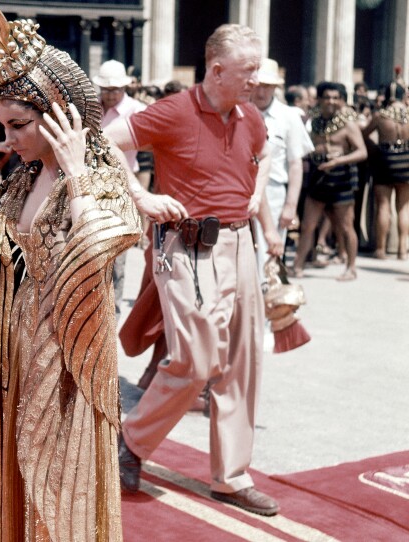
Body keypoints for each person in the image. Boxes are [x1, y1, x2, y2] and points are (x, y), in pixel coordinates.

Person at [0, 5, 142, 536]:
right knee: (19, 460)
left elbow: (98, 252)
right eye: (3, 126)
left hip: (68, 351)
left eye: (20, 124)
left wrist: (79, 174)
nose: (10, 138)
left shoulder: (99, 175)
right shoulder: (20, 178)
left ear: (59, 113)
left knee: (60, 475)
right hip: (18, 344)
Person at [104, 23, 284, 516]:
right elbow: (104, 141)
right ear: (218, 69)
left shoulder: (250, 118)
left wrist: (258, 201)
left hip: (238, 243)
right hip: (185, 246)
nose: (256, 80)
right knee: (196, 360)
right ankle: (132, 440)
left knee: (242, 363)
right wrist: (140, 195)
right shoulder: (174, 111)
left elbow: (264, 154)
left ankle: (232, 477)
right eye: (249, 71)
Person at [290, 82, 367, 281]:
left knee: (346, 227)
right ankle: (298, 265)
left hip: (341, 180)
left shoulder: (348, 125)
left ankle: (351, 268)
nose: (331, 101)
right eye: (327, 97)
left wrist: (339, 160)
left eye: (335, 97)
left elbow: (362, 152)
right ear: (320, 100)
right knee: (307, 225)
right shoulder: (314, 123)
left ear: (341, 100)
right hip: (318, 178)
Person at [93, 59, 147, 321]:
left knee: (118, 249)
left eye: (115, 90)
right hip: (91, 183)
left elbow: (148, 157)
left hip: (122, 185)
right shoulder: (91, 110)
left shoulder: (138, 111)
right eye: (106, 89)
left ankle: (111, 310)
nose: (111, 94)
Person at [250, 58, 314, 268]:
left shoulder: (288, 117)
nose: (261, 92)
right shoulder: (238, 111)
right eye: (258, 85)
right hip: (241, 189)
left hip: (274, 191)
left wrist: (290, 205)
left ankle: (268, 297)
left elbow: (295, 163)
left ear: (276, 88)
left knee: (269, 253)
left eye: (267, 87)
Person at [363, 80, 409, 259]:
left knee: (383, 206)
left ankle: (380, 249)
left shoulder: (380, 116)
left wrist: (375, 148)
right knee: (404, 207)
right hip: (406, 160)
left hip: (384, 160)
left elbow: (363, 134)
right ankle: (402, 250)